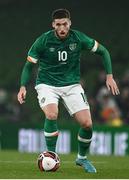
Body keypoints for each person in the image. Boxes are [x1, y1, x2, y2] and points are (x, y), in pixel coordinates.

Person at [17, 9, 120, 173]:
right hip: (47, 84)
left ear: (69, 23)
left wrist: (109, 76)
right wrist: (22, 86)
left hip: (71, 85)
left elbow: (103, 51)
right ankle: (51, 155)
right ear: (53, 25)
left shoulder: (78, 38)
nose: (62, 28)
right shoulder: (43, 41)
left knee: (87, 124)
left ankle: (82, 158)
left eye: (65, 24)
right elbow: (29, 65)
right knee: (51, 114)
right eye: (58, 25)